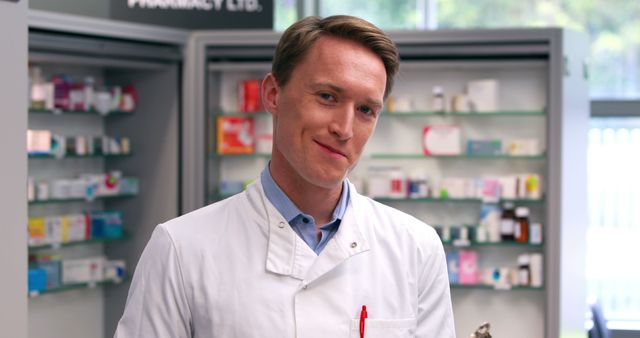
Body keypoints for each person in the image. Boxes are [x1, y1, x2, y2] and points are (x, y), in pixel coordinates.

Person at [114, 15, 455, 338]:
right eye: (327, 96)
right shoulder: (181, 249)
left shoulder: (416, 248)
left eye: (365, 110)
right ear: (273, 95)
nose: (344, 129)